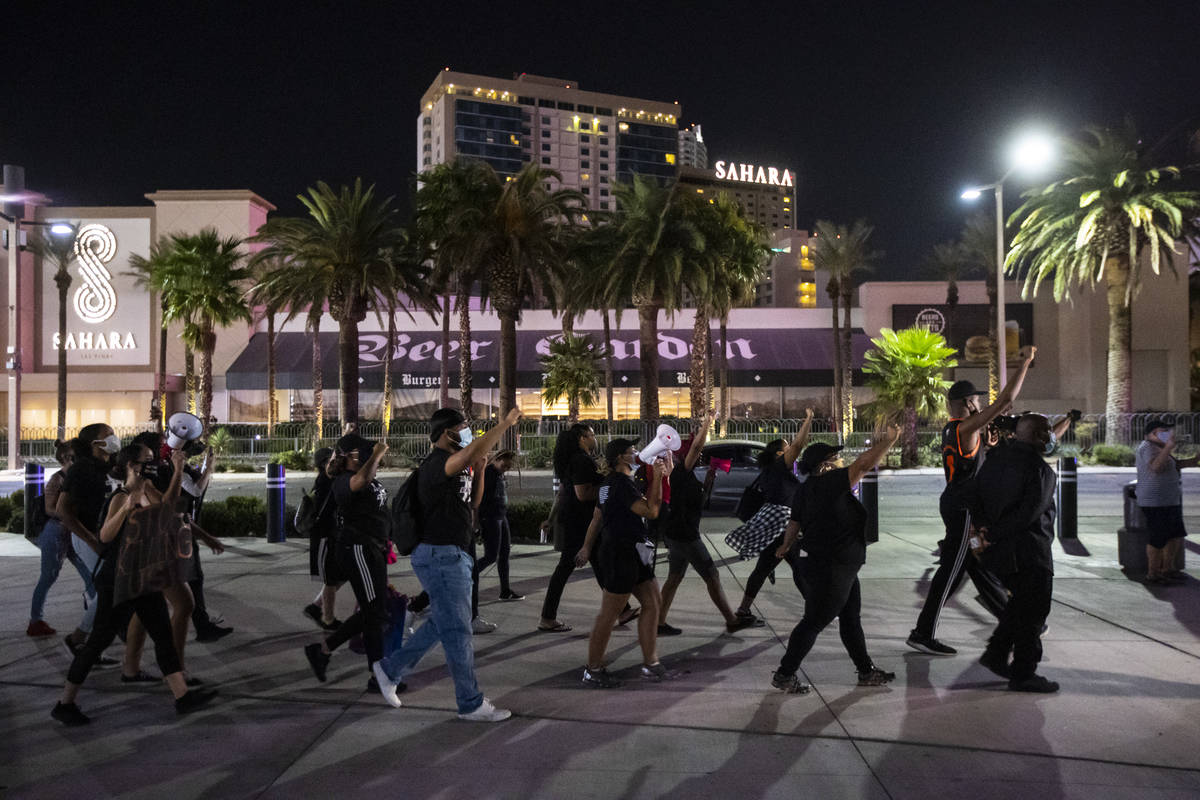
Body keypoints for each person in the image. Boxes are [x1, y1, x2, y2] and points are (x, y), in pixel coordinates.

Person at [372, 406, 522, 722]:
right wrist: (505, 424)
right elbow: (474, 449)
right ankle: (470, 703)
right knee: (458, 632)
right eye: (463, 428)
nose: (468, 434)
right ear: (446, 434)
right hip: (440, 556)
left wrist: (480, 472)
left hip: (453, 554)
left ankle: (389, 669)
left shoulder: (458, 469)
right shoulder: (438, 464)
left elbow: (474, 503)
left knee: (446, 623)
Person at [51, 445, 217, 725]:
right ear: (130, 465)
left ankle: (182, 696)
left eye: (152, 461)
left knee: (163, 635)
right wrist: (128, 506)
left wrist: (177, 471)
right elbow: (104, 536)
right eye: (146, 462)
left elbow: (168, 511)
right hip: (118, 581)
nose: (151, 466)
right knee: (97, 642)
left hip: (142, 577)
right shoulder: (122, 496)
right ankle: (65, 703)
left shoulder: (148, 488)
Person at [906, 346, 1036, 656]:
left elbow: (970, 465)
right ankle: (923, 633)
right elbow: (1005, 401)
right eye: (977, 400)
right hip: (962, 508)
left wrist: (986, 449)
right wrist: (1025, 362)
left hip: (960, 505)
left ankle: (1015, 621)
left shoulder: (957, 431)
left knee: (977, 564)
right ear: (967, 403)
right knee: (951, 571)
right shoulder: (964, 428)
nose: (980, 404)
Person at [770, 426, 902, 695]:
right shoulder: (830, 483)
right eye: (835, 458)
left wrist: (785, 545)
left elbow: (795, 522)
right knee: (814, 621)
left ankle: (865, 671)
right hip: (832, 568)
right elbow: (864, 464)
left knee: (851, 618)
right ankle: (785, 674)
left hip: (840, 566)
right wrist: (889, 440)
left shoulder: (806, 489)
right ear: (825, 464)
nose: (840, 462)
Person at [966, 414, 1060, 692]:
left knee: (1019, 607)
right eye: (1048, 432)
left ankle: (996, 653)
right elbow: (1029, 514)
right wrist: (992, 534)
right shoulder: (1042, 472)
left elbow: (973, 497)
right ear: (1041, 436)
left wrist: (983, 533)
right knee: (1034, 613)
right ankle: (1023, 673)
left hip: (998, 554)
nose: (1051, 437)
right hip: (1031, 552)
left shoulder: (993, 462)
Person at [576, 438, 669, 689]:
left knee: (653, 603)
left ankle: (651, 663)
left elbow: (597, 517)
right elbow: (651, 511)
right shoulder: (620, 484)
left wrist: (586, 547)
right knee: (609, 613)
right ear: (621, 458)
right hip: (621, 553)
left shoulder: (609, 484)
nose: (636, 454)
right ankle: (593, 669)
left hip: (633, 551)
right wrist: (659, 478)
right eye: (632, 451)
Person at [304, 432, 392, 682]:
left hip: (373, 548)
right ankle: (378, 675)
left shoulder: (364, 475)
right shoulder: (343, 480)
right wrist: (377, 453)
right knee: (374, 613)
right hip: (358, 549)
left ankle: (323, 650)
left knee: (375, 611)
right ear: (349, 456)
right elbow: (361, 481)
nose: (366, 453)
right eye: (361, 451)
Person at [657, 414, 756, 635]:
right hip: (685, 535)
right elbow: (696, 447)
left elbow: (698, 503)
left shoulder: (685, 476)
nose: (699, 455)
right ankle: (731, 620)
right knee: (712, 576)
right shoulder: (681, 473)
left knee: (674, 578)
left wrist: (709, 480)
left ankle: (658, 622)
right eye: (695, 453)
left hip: (677, 533)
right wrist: (708, 422)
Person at [539, 424, 638, 632]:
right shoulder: (581, 460)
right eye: (592, 435)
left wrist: (550, 518)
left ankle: (622, 610)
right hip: (580, 523)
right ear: (582, 438)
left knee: (600, 564)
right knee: (567, 567)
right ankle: (547, 618)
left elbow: (562, 492)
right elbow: (582, 493)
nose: (595, 438)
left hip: (576, 521)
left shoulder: (575, 460)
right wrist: (609, 487)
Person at [729, 409, 815, 624]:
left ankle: (743, 610)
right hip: (782, 527)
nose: (791, 450)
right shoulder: (778, 467)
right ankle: (815, 611)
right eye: (785, 448)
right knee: (798, 568)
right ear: (779, 455)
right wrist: (809, 420)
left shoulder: (771, 472)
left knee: (769, 567)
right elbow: (798, 445)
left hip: (775, 526)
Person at [56, 424, 123, 667]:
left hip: (108, 537)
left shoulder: (110, 466)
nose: (114, 438)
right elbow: (64, 511)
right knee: (107, 594)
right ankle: (79, 641)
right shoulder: (81, 469)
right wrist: (92, 541)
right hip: (88, 537)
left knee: (113, 593)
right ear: (94, 443)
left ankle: (89, 641)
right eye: (108, 435)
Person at [29, 441, 104, 655]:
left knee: (90, 575)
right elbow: (51, 509)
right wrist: (70, 511)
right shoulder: (58, 479)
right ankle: (36, 620)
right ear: (65, 459)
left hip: (73, 532)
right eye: (73, 457)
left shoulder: (79, 477)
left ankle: (95, 615)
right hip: (55, 533)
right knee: (49, 576)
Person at [1135, 418, 1197, 584]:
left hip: (1170, 500)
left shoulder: (1161, 448)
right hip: (1154, 501)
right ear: (1153, 433)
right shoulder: (1147, 447)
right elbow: (1155, 467)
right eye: (1164, 431)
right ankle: (1153, 572)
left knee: (1175, 534)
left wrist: (1196, 458)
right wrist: (1168, 446)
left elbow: (1178, 465)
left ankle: (1168, 568)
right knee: (1158, 536)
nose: (1168, 434)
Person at [302, 447, 346, 630]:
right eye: (332, 460)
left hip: (333, 534)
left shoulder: (332, 479)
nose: (336, 462)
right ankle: (328, 619)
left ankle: (315, 607)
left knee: (343, 574)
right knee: (331, 578)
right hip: (324, 535)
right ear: (323, 464)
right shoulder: (324, 480)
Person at [474, 450, 522, 602]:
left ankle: (505, 590)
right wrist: (476, 521)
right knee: (490, 556)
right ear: (497, 459)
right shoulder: (488, 473)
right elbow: (478, 498)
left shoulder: (498, 473)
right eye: (504, 465)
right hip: (490, 517)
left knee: (504, 554)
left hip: (501, 516)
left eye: (508, 467)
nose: (505, 469)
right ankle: (467, 577)